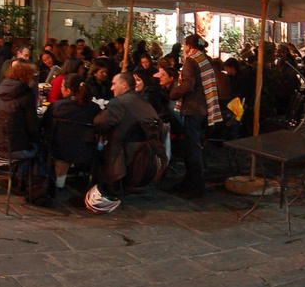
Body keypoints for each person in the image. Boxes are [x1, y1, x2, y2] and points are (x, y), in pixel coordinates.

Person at [91, 72, 161, 209]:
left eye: (114, 84)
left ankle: (101, 189)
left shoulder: (119, 103)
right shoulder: (143, 101)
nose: (111, 88)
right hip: (147, 153)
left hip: (124, 154)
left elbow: (100, 122)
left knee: (95, 147)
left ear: (124, 84)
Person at [168, 33, 224, 198]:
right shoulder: (205, 59)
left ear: (188, 46)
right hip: (205, 109)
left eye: (185, 45)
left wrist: (173, 93)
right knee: (195, 147)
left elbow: (188, 84)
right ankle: (190, 182)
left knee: (192, 150)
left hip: (194, 109)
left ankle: (195, 187)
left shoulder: (191, 61)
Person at [0, 61, 47, 206]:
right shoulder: (25, 95)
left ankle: (20, 178)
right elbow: (33, 127)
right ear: (26, 77)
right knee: (39, 147)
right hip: (15, 149)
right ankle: (31, 186)